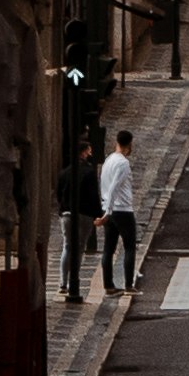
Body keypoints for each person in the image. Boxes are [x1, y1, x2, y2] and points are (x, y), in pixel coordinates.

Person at [97, 128, 139, 297]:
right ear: (129, 145)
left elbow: (103, 183)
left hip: (109, 207)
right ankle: (129, 284)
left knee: (108, 248)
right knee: (129, 246)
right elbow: (114, 186)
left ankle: (109, 285)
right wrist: (109, 210)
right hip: (121, 210)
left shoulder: (108, 160)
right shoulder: (122, 163)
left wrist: (105, 207)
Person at [57, 139, 98, 305]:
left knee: (67, 245)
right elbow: (93, 195)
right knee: (79, 247)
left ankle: (62, 282)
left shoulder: (64, 172)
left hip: (66, 213)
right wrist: (98, 214)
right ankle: (74, 279)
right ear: (83, 152)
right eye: (89, 150)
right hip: (84, 214)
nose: (90, 153)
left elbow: (59, 195)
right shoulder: (89, 172)